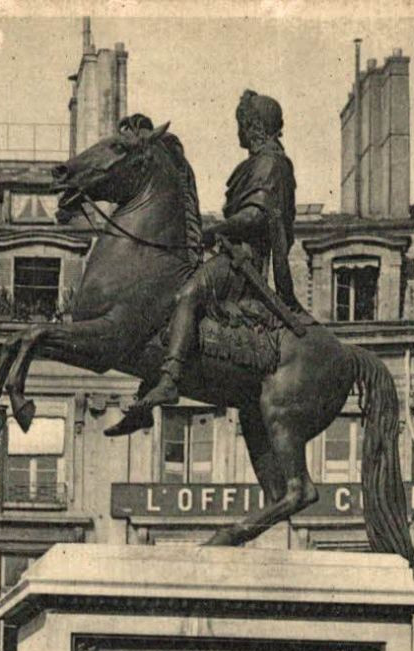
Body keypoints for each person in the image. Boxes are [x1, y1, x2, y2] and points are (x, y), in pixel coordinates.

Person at [105, 90, 300, 437]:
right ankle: (145, 399)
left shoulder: (272, 164)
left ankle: (168, 381)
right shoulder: (259, 163)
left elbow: (257, 216)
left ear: (253, 126)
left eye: (241, 124)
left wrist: (217, 229)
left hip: (243, 265)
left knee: (187, 295)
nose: (238, 131)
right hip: (230, 254)